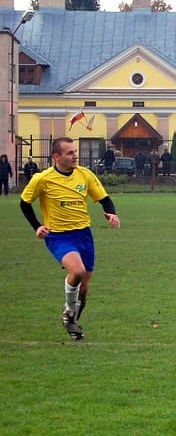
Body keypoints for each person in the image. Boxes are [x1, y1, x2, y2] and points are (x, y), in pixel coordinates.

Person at [19, 137, 121, 341]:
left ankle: (71, 321)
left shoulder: (85, 175)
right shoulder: (43, 178)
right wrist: (37, 226)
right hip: (58, 236)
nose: (75, 156)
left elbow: (104, 198)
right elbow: (24, 203)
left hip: (84, 234)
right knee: (77, 271)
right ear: (56, 156)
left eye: (75, 152)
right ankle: (68, 312)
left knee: (84, 288)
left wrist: (111, 213)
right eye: (70, 153)